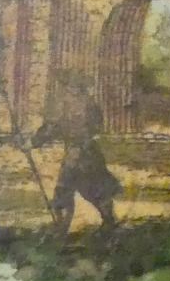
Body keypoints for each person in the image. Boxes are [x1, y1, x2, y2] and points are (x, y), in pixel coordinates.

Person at [37, 95, 120, 231]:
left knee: (92, 191)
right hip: (76, 156)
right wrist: (33, 141)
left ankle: (109, 222)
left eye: (75, 88)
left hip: (87, 156)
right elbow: (53, 128)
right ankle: (62, 226)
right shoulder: (67, 107)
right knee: (65, 191)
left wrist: (82, 145)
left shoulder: (88, 106)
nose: (71, 91)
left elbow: (95, 127)